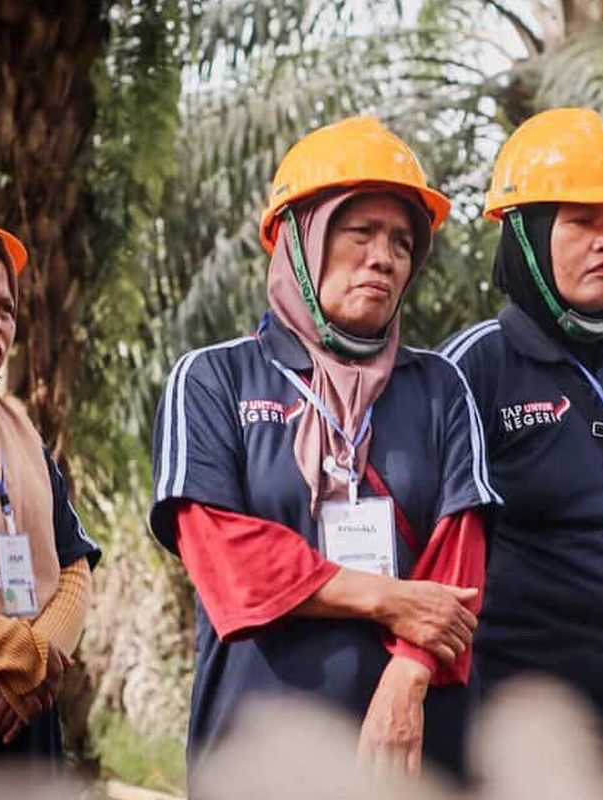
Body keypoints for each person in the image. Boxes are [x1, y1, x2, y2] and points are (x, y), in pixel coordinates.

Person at [148, 117, 500, 780]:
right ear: (298, 239)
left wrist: (408, 675)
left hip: (414, 752)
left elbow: (461, 556)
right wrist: (389, 599)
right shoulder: (215, 379)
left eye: (402, 241)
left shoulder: (438, 387)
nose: (384, 257)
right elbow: (228, 559)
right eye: (359, 231)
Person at [441, 108, 603, 753]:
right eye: (582, 222)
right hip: (525, 733)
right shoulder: (473, 366)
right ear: (528, 236)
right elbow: (430, 547)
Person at [0, 201, 100, 758]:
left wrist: (34, 662)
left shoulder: (21, 433)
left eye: (7, 308)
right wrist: (20, 657)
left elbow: (73, 566)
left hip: (28, 720)